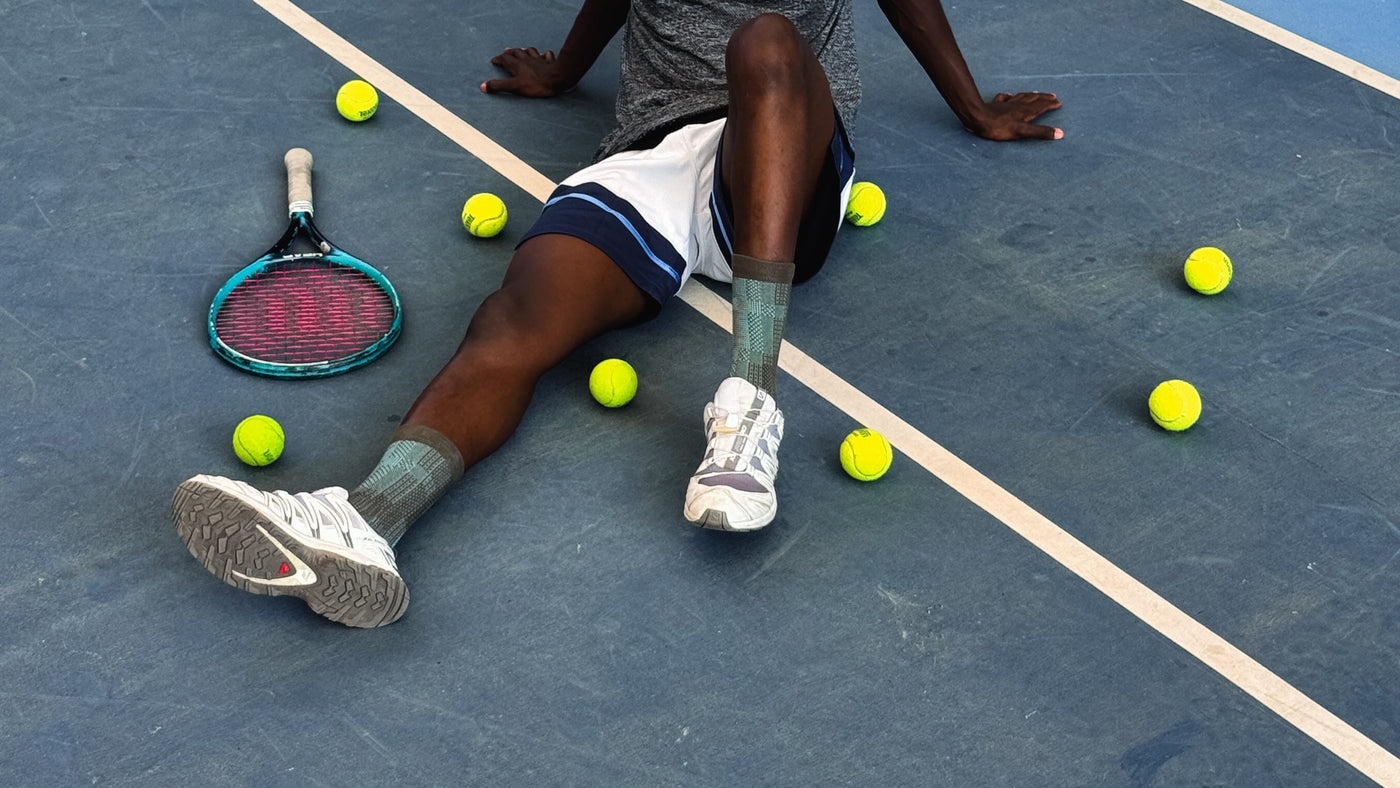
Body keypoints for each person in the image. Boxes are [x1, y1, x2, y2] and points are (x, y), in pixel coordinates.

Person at [171, 0, 1062, 628]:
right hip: (650, 157)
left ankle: (750, 402)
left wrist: (974, 107)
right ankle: (371, 520)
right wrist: (563, 70)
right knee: (512, 320)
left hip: (783, 157)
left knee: (766, 40)